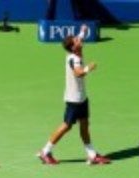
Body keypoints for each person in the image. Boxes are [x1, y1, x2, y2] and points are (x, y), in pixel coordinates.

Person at [37, 25, 111, 165]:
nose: (79, 39)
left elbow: (80, 38)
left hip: (82, 98)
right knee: (67, 126)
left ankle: (92, 154)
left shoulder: (75, 50)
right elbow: (78, 73)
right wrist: (89, 67)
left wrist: (83, 30)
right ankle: (45, 151)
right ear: (73, 47)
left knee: (84, 124)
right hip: (75, 100)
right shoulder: (74, 59)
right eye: (77, 40)